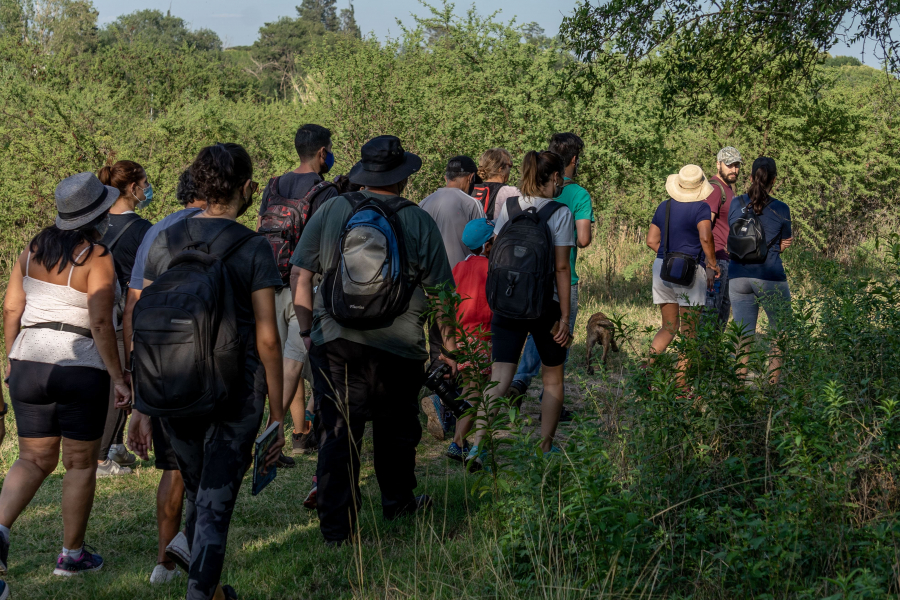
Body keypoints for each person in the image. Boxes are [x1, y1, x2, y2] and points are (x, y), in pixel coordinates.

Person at [128, 143, 285, 600]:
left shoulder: (163, 240)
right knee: (214, 504)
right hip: (237, 390)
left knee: (199, 491)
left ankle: (208, 582)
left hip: (170, 384)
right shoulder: (253, 246)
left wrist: (142, 401)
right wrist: (278, 413)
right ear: (247, 188)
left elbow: (145, 321)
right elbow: (268, 338)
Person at [291, 135, 458, 545]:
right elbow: (443, 295)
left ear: (365, 175)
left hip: (335, 343)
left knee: (337, 435)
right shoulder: (418, 220)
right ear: (402, 179)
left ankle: (337, 530)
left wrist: (308, 331)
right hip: (399, 347)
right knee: (397, 430)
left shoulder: (331, 209)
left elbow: (301, 275)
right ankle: (398, 503)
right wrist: (450, 351)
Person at [0, 172, 131, 577]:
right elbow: (100, 323)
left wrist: (11, 356)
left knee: (32, 459)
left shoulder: (33, 248)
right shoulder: (97, 256)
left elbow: (11, 309)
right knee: (79, 464)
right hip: (79, 367)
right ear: (98, 215)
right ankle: (72, 556)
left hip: (28, 360)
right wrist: (119, 376)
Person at [123, 168, 207, 584]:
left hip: (158, 360)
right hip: (207, 363)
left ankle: (164, 562)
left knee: (172, 465)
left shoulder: (156, 232)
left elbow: (134, 301)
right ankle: (196, 545)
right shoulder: (221, 229)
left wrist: (134, 367)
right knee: (210, 462)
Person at [467, 150, 574, 471]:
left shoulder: (510, 207)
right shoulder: (560, 212)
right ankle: (545, 447)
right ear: (555, 177)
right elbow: (561, 268)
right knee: (553, 378)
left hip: (508, 303)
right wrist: (565, 317)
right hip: (544, 307)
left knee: (499, 378)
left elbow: (495, 250)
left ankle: (477, 447)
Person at [258, 124, 340, 462]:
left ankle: (291, 435)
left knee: (280, 364)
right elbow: (330, 245)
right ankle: (270, 439)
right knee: (293, 362)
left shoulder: (273, 185)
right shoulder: (325, 191)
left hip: (267, 282)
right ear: (323, 153)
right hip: (304, 285)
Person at [507, 133, 595, 418]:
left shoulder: (523, 195)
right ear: (573, 160)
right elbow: (583, 240)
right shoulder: (579, 194)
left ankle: (518, 383)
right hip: (562, 277)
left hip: (523, 279)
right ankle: (547, 396)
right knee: (559, 338)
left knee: (533, 333)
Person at [419, 156, 485, 438]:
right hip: (463, 288)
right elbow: (480, 242)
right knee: (461, 350)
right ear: (470, 177)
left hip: (429, 286)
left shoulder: (424, 202)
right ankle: (452, 407)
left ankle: (438, 398)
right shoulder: (471, 203)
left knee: (438, 344)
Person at [95, 160, 153, 477]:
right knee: (121, 383)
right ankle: (101, 458)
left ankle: (115, 444)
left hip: (91, 314)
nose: (148, 188)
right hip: (122, 315)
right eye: (145, 183)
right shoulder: (143, 229)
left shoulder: (95, 223)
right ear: (132, 188)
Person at [645, 165, 720, 389]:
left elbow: (651, 240)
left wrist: (669, 259)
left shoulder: (664, 206)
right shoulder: (702, 208)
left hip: (662, 267)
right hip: (690, 271)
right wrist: (712, 265)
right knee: (690, 333)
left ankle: (646, 373)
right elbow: (706, 238)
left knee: (668, 327)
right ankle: (681, 387)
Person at [727, 157, 793, 384]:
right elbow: (783, 244)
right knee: (780, 332)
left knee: (742, 335)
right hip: (769, 276)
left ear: (751, 177)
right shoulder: (782, 208)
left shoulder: (736, 203)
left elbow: (736, 235)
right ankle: (772, 387)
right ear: (774, 180)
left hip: (737, 277)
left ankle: (737, 387)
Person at [443, 218, 495, 462]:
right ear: (487, 245)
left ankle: (459, 441)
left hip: (460, 338)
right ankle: (458, 442)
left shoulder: (458, 267)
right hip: (481, 339)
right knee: (475, 392)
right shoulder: (491, 269)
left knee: (467, 389)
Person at [701, 146, 742, 329]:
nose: (734, 169)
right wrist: (710, 264)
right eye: (729, 165)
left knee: (721, 317)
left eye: (737, 165)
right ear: (718, 164)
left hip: (727, 261)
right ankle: (702, 357)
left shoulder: (728, 189)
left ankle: (714, 357)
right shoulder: (715, 189)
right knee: (709, 317)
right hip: (715, 262)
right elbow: (705, 226)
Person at [471, 148, 521, 221]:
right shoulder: (510, 192)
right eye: (509, 165)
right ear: (500, 169)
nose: (510, 169)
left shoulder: (470, 189)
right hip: (497, 232)